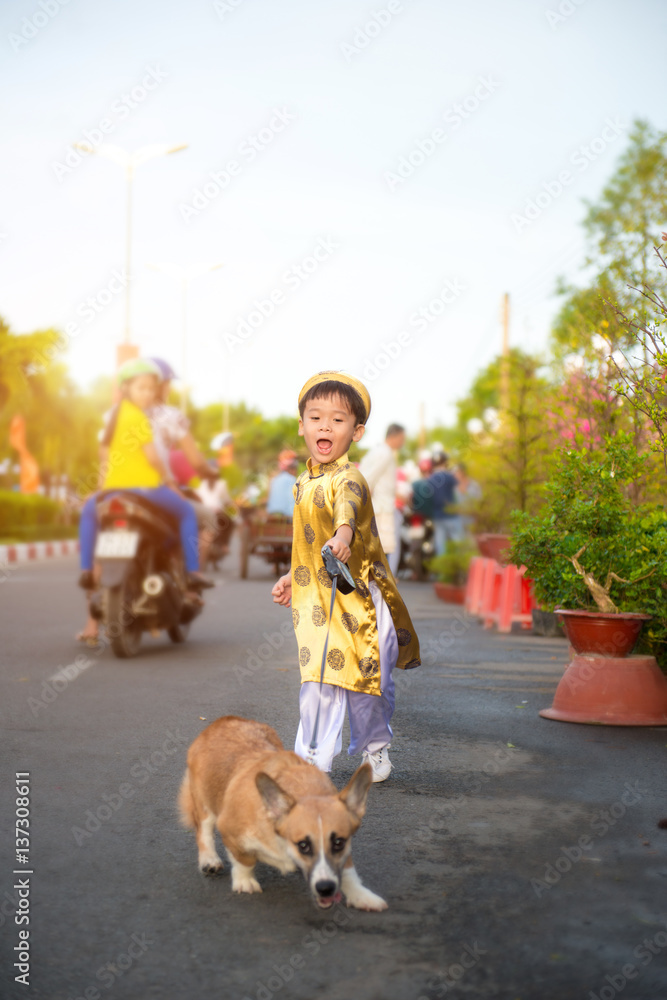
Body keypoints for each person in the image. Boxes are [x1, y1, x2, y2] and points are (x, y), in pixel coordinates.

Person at [271, 371, 420, 782]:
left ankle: (375, 750)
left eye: (337, 420)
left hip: (359, 602)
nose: (325, 426)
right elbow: (306, 541)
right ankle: (311, 761)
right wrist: (290, 575)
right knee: (316, 679)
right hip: (315, 602)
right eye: (315, 417)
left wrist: (343, 536)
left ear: (356, 432)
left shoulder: (349, 477)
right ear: (302, 426)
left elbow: (345, 514)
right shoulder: (302, 483)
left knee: (364, 684)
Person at [77, 358, 212, 598]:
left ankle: (87, 571)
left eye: (151, 388)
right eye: (143, 388)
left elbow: (105, 456)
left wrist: (99, 489)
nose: (148, 394)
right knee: (186, 513)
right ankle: (192, 573)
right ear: (127, 388)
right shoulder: (142, 417)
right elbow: (153, 458)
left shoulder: (114, 415)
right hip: (146, 489)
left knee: (89, 513)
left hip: (113, 490)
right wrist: (171, 484)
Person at [358, 423, 405, 577]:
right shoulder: (384, 453)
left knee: (380, 548)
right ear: (394, 436)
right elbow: (368, 479)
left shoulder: (377, 451)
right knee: (384, 548)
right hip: (381, 508)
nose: (402, 442)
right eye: (402, 438)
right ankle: (384, 582)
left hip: (379, 507)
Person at [427, 447, 461, 556]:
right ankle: (461, 569)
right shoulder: (449, 477)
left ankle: (443, 571)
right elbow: (459, 492)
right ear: (445, 462)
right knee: (458, 543)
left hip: (437, 516)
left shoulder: (430, 479)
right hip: (451, 515)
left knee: (441, 546)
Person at [266, 449, 298, 518]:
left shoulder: (274, 480)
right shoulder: (291, 479)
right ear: (292, 468)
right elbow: (291, 501)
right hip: (285, 517)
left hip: (272, 516)